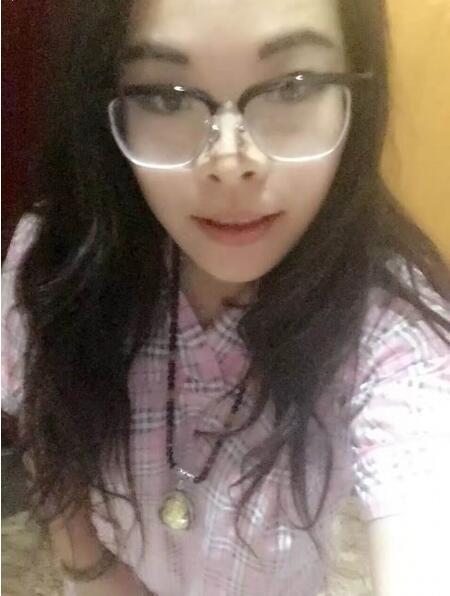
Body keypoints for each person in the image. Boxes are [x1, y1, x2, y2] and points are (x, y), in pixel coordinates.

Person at [2, 0, 450, 595]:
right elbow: (43, 419)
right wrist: (92, 570)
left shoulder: (389, 328)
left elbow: (423, 493)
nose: (230, 164)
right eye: (166, 97)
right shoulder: (59, 260)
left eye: (293, 87)